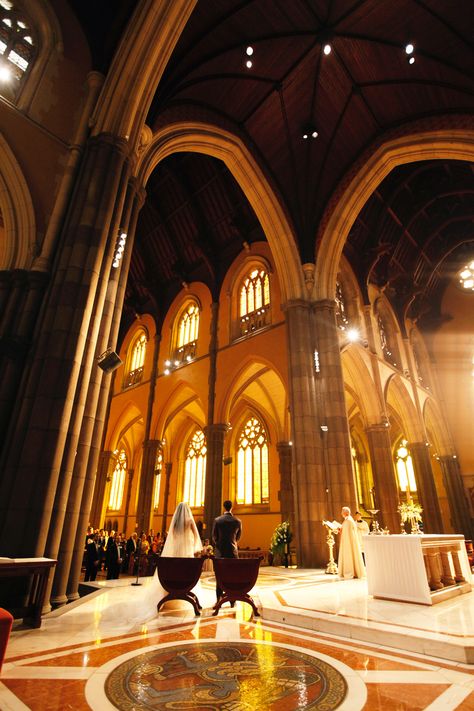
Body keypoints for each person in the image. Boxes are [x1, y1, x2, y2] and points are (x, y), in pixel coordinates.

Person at [212, 500, 242, 604]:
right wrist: (232, 543)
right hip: (233, 553)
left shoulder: (217, 520)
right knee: (232, 576)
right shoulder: (237, 521)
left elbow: (214, 536)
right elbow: (238, 537)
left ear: (224, 507)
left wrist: (219, 544)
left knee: (219, 577)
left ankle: (218, 599)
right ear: (231, 507)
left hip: (220, 553)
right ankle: (232, 600)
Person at [337, 506, 365, 580]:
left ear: (346, 513)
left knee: (349, 556)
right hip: (347, 542)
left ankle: (349, 572)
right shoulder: (348, 520)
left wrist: (341, 531)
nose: (341, 513)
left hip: (348, 543)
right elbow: (345, 531)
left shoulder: (348, 521)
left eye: (342, 512)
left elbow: (347, 533)